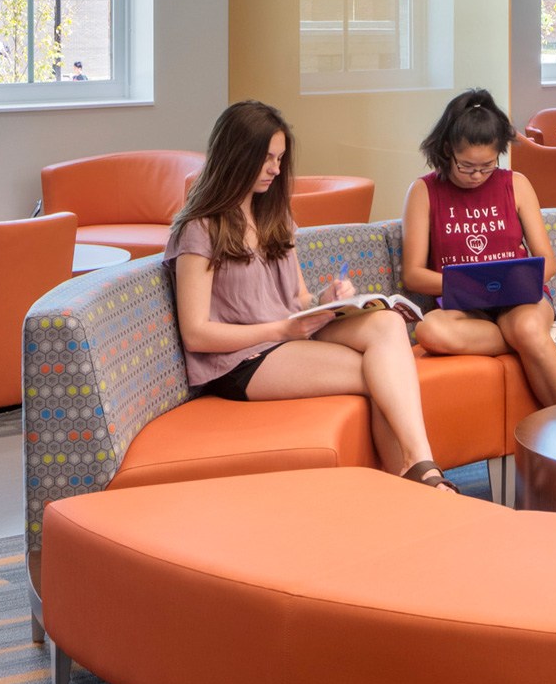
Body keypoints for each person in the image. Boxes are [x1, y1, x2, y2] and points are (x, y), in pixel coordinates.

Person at [166, 100, 457, 493]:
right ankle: (419, 478)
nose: (275, 169)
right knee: (383, 376)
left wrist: (329, 297)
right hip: (239, 361)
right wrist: (283, 328)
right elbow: (197, 334)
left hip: (289, 336)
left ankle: (419, 470)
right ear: (235, 156)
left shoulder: (274, 215)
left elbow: (299, 298)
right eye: (266, 158)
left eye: (280, 159)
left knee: (387, 323)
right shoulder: (200, 229)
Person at [405, 90, 556, 409]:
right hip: (463, 307)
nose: (476, 176)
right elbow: (413, 274)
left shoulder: (516, 184)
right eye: (467, 166)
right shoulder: (423, 191)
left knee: (526, 326)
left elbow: (548, 262)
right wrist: (466, 285)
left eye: (486, 166)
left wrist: (516, 282)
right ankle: (545, 337)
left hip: (520, 299)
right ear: (447, 151)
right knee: (430, 330)